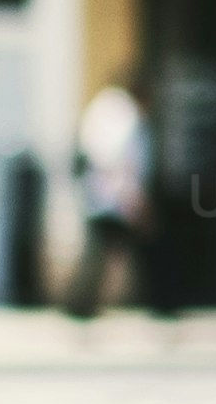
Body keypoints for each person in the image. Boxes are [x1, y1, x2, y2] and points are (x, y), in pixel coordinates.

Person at [62, 77, 162, 319]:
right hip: (114, 198)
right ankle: (159, 301)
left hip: (100, 195)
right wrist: (131, 197)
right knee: (134, 249)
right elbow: (121, 159)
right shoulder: (123, 115)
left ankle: (79, 304)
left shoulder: (103, 108)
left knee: (101, 251)